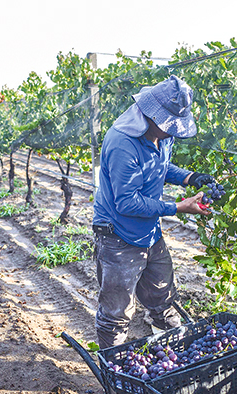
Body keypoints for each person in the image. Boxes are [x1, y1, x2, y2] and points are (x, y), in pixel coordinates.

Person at [92, 75, 217, 349]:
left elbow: (159, 166)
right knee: (117, 314)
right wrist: (178, 207)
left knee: (163, 297)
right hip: (118, 236)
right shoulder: (122, 143)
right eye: (169, 125)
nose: (172, 132)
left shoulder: (162, 135)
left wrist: (190, 177)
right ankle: (114, 372)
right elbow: (128, 203)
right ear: (151, 115)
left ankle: (172, 357)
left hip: (149, 232)